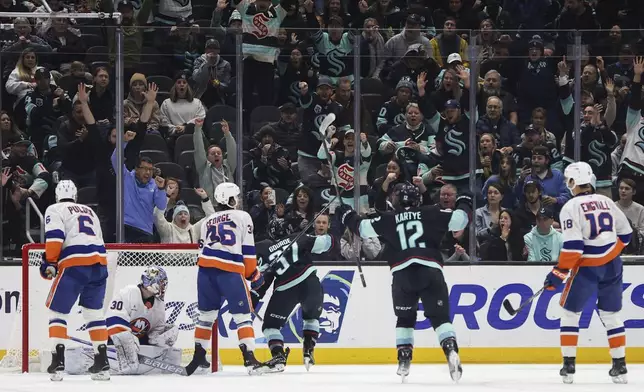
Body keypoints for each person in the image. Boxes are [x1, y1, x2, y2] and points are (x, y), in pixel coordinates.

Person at [336, 183, 472, 382]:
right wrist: (464, 201)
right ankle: (450, 349)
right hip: (430, 270)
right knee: (441, 319)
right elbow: (459, 221)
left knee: (405, 319)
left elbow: (362, 229)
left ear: (397, 200)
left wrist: (346, 215)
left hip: (402, 274)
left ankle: (404, 358)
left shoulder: (388, 218)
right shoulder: (432, 212)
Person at [543, 162, 632, 384]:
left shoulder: (570, 207)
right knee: (611, 315)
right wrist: (609, 254)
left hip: (587, 268)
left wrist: (558, 272)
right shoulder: (607, 201)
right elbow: (627, 234)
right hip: (613, 265)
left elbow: (574, 247)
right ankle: (619, 365)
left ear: (573, 182)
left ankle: (569, 365)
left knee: (570, 313)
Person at [186, 183, 264, 376]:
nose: (238, 201)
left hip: (204, 272)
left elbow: (202, 248)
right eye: (236, 197)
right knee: (243, 316)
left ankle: (198, 356)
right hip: (229, 271)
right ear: (230, 199)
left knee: (206, 316)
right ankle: (250, 358)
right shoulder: (242, 216)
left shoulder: (206, 221)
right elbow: (248, 250)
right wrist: (253, 274)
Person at [41, 180, 110, 381]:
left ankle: (58, 362)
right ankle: (102, 362)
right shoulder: (90, 211)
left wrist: (51, 262)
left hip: (75, 264)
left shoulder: (55, 208)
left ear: (56, 195)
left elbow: (55, 237)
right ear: (76, 196)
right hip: (99, 264)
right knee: (94, 313)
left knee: (57, 312)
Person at [252, 217, 336, 372]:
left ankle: (278, 356)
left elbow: (262, 282)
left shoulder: (263, 250)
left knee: (271, 326)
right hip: (310, 282)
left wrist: (252, 301)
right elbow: (328, 244)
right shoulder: (299, 237)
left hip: (286, 288)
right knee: (311, 317)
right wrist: (331, 237)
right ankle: (308, 350)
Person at [65, 267, 180, 375]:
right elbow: (113, 321)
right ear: (151, 282)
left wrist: (159, 339)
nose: (163, 286)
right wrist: (127, 339)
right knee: (124, 337)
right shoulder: (129, 292)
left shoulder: (159, 304)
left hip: (139, 345)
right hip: (114, 343)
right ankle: (97, 360)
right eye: (161, 282)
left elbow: (155, 330)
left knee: (172, 337)